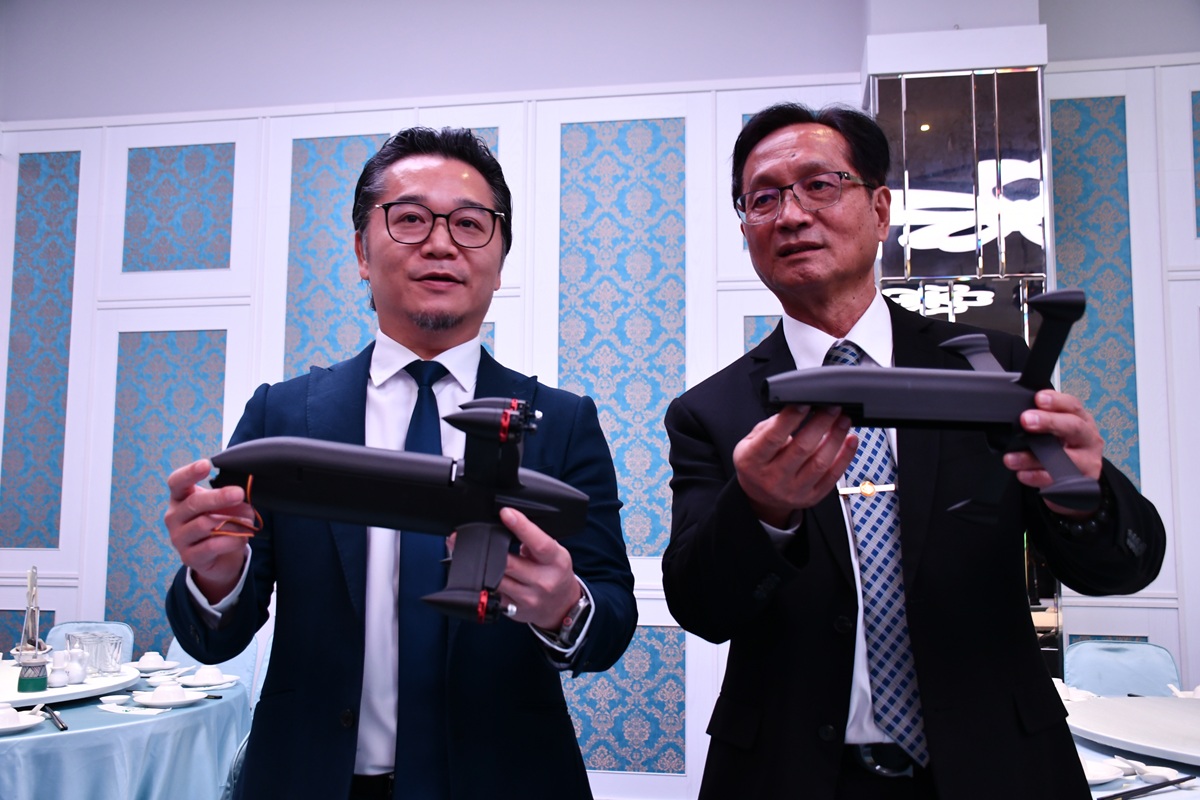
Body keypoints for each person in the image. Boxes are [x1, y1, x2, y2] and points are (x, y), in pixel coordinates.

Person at [661, 103, 1165, 800]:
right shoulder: (711, 412)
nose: (792, 215)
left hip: (998, 766)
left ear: (880, 210)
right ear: (746, 228)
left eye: (819, 185)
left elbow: (1123, 567)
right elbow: (701, 608)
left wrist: (1083, 498)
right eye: (763, 198)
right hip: (790, 773)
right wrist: (760, 513)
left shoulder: (990, 368)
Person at [164, 127, 637, 800]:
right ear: (362, 251)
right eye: (410, 218)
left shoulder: (561, 422)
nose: (441, 243)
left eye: (470, 223)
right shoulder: (282, 416)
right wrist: (216, 578)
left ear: (500, 259)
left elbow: (610, 618)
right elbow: (215, 640)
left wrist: (564, 606)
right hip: (310, 779)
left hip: (506, 779)